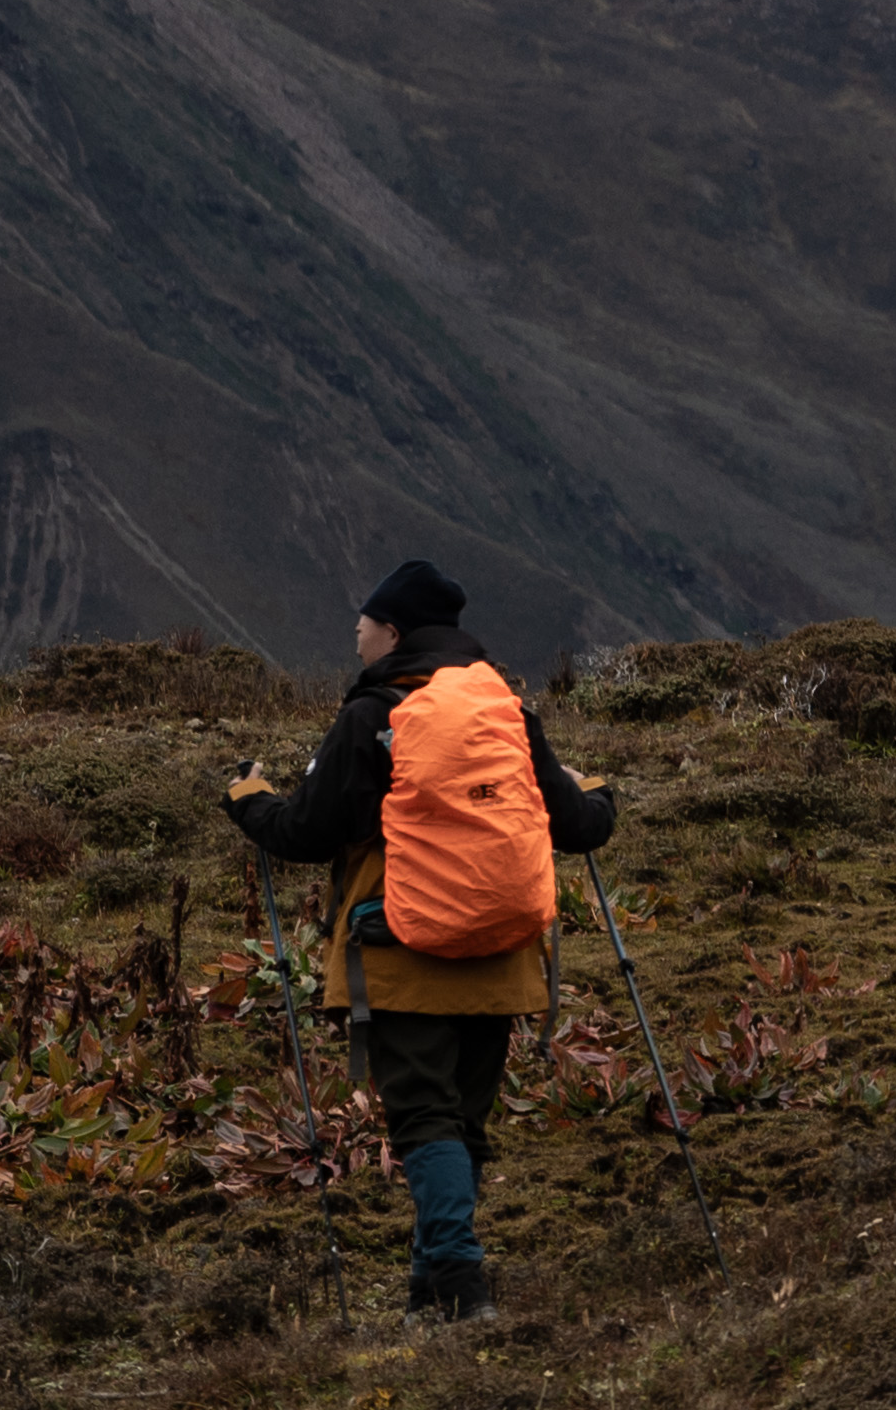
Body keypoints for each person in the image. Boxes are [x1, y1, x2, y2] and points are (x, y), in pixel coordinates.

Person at [222, 557, 620, 1322]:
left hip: (400, 949)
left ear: (392, 632)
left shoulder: (372, 714)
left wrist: (250, 799)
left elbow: (304, 832)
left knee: (424, 1121)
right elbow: (578, 826)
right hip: (502, 951)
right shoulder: (504, 709)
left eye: (362, 630)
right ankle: (428, 1295)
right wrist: (600, 793)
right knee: (460, 1124)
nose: (357, 642)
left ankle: (464, 1290)